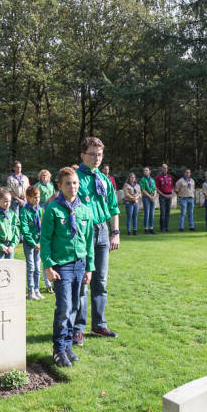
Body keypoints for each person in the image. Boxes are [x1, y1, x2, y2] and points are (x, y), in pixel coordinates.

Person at [41, 167, 94, 368]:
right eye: (68, 183)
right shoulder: (53, 209)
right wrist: (48, 266)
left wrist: (89, 268)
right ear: (59, 186)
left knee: (75, 307)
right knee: (64, 308)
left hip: (80, 264)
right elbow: (45, 239)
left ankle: (68, 346)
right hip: (62, 266)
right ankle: (58, 348)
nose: (72, 187)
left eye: (75, 183)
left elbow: (89, 242)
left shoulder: (85, 210)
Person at [73, 136, 120, 345]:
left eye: (99, 154)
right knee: (83, 280)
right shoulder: (76, 178)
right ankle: (78, 328)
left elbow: (113, 207)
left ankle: (99, 324)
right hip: (83, 232)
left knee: (100, 281)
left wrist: (115, 232)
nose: (97, 158)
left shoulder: (104, 179)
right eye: (92, 154)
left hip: (102, 232)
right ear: (82, 155)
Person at [21, 185, 43, 299]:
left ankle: (36, 289)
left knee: (38, 268)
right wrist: (34, 243)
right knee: (31, 267)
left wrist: (40, 242)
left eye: (38, 197)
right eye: (35, 197)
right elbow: (25, 230)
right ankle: (30, 291)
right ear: (28, 198)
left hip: (39, 242)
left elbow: (44, 226)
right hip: (30, 243)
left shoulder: (40, 210)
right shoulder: (24, 211)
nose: (37, 199)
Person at [156, 164, 174, 233]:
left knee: (168, 213)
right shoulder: (158, 177)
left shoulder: (169, 177)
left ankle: (166, 227)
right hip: (162, 196)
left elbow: (172, 187)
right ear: (161, 168)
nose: (165, 169)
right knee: (163, 212)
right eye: (164, 168)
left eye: (166, 168)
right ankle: (162, 228)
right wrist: (163, 195)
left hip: (169, 196)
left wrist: (171, 194)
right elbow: (156, 188)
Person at [139, 167, 157, 234]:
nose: (145, 172)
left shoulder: (152, 179)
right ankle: (146, 229)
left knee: (152, 213)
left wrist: (154, 196)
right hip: (146, 197)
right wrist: (150, 196)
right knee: (147, 213)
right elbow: (143, 190)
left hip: (152, 197)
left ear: (150, 171)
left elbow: (155, 189)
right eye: (144, 171)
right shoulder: (142, 180)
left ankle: (151, 228)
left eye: (146, 170)